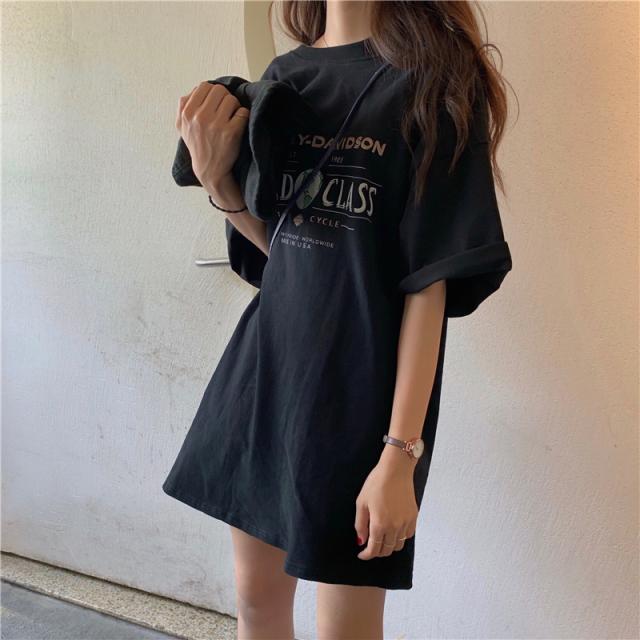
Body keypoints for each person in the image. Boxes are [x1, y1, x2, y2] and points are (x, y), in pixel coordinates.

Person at [163, 1, 514, 638]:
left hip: (362, 396)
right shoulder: (287, 76)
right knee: (255, 602)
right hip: (268, 375)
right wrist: (219, 182)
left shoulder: (434, 79)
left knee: (344, 626)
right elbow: (284, 254)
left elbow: (428, 281)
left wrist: (399, 455)